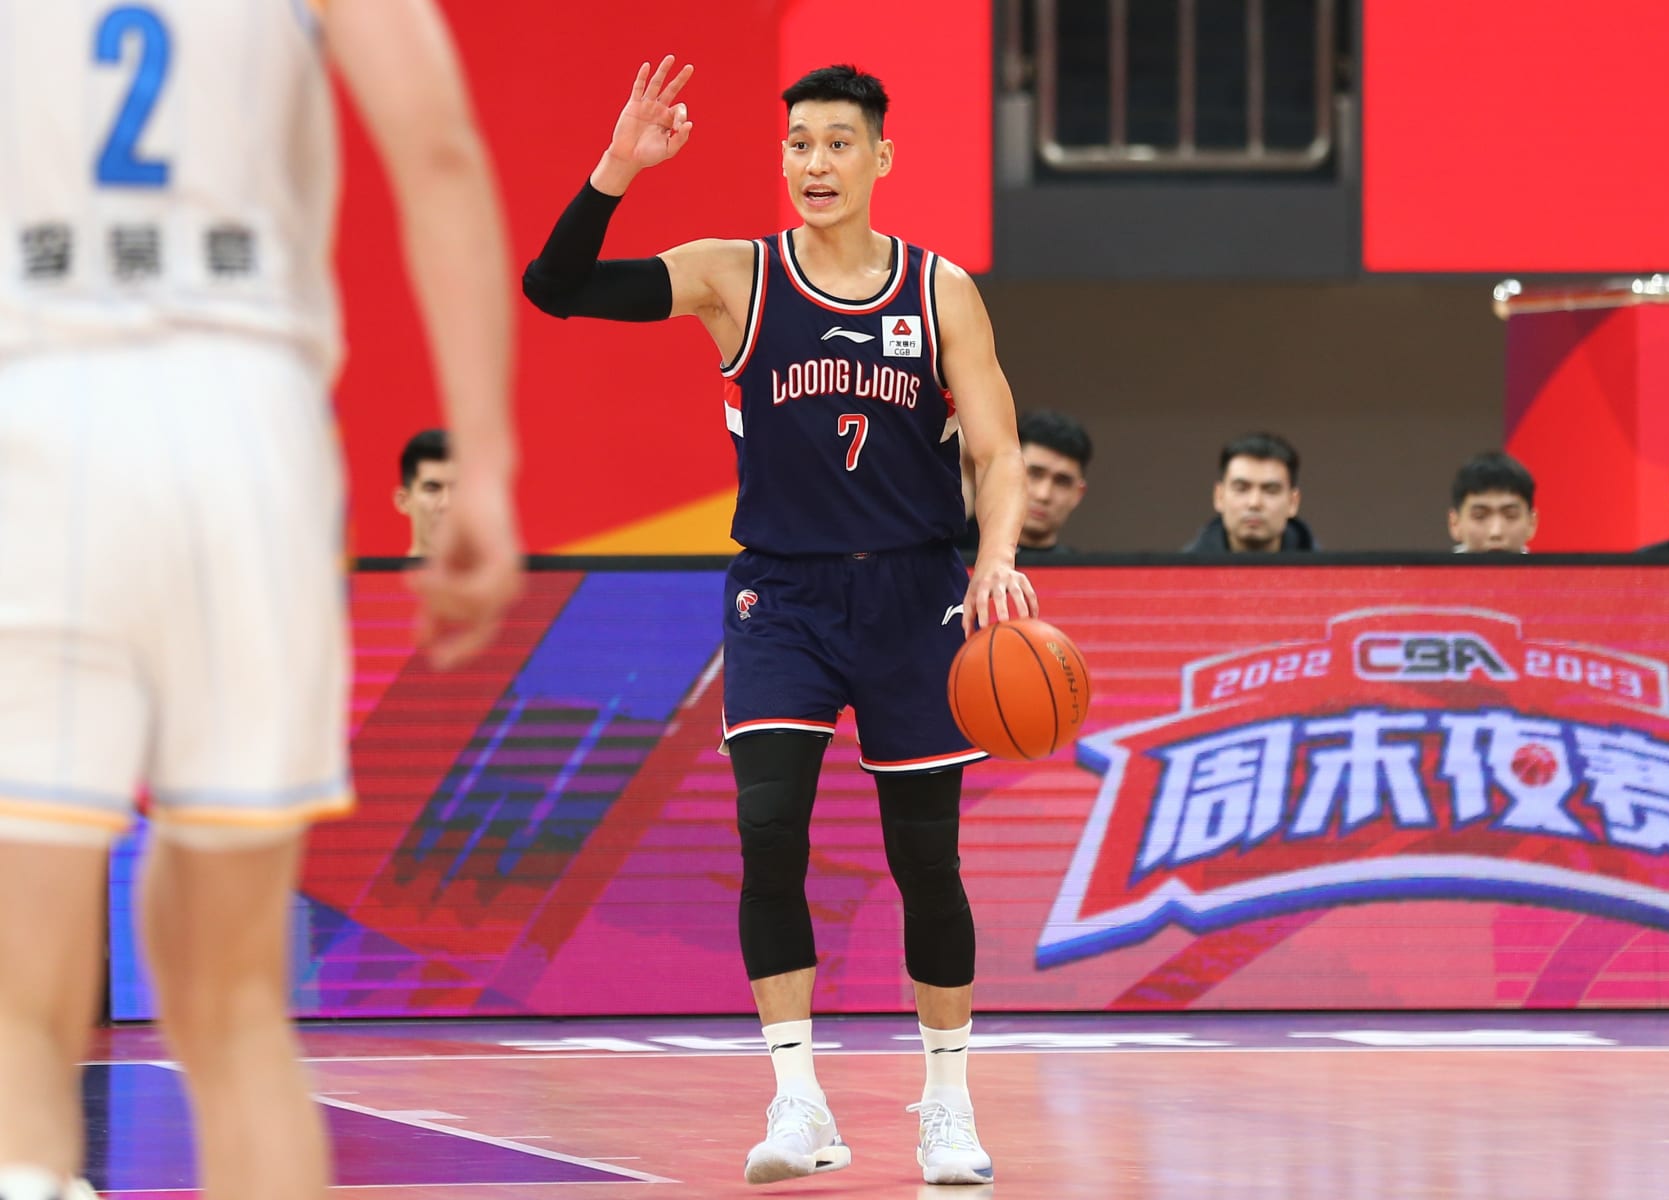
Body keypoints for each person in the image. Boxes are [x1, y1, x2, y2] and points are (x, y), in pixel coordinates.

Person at [0, 2, 521, 1198]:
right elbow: (436, 149)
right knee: (233, 1005)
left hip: (38, 416)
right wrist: (483, 465)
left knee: (22, 1016)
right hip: (248, 436)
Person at [522, 57, 1034, 1187]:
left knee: (925, 860)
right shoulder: (734, 278)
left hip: (914, 594)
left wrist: (995, 557)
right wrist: (617, 168)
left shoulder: (940, 289)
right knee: (768, 831)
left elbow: (997, 453)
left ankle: (946, 1103)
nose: (815, 162)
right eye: (799, 142)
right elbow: (555, 286)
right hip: (782, 597)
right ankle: (796, 1099)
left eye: (838, 142)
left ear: (882, 158)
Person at [956, 409, 1092, 559]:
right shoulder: (947, 554)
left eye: (1062, 482)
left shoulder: (1082, 573)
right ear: (1004, 471)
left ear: (1078, 494)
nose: (1043, 494)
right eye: (1034, 474)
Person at [1182, 432, 1317, 553]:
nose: (1254, 503)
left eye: (1270, 490)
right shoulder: (1182, 576)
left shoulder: (1326, 576)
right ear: (1219, 497)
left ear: (1293, 502)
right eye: (1241, 488)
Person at [1449, 451, 1537, 553]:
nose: (1496, 532)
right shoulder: (1438, 569)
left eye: (1511, 515)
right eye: (1479, 516)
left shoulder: (1548, 569)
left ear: (1531, 523)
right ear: (1455, 523)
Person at [395, 429, 456, 557]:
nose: (446, 504)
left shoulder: (506, 576)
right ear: (404, 501)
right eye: (432, 488)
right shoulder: (379, 576)